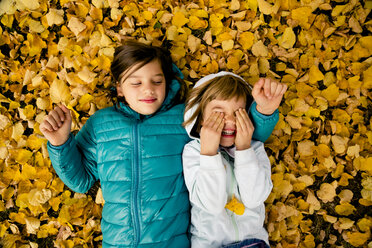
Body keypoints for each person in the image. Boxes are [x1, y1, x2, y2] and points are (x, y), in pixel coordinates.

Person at [40, 41, 282, 247]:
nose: (148, 89)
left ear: (167, 82)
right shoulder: (101, 124)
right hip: (118, 242)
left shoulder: (182, 119)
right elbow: (81, 181)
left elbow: (242, 133)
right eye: (136, 83)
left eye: (157, 81)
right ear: (119, 88)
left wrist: (264, 111)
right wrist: (60, 143)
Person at [182, 72, 287, 248]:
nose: (230, 120)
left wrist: (244, 149)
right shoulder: (194, 151)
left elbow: (255, 198)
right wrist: (208, 152)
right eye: (218, 113)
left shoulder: (254, 148)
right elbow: (211, 204)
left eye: (238, 113)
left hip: (253, 243)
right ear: (200, 120)